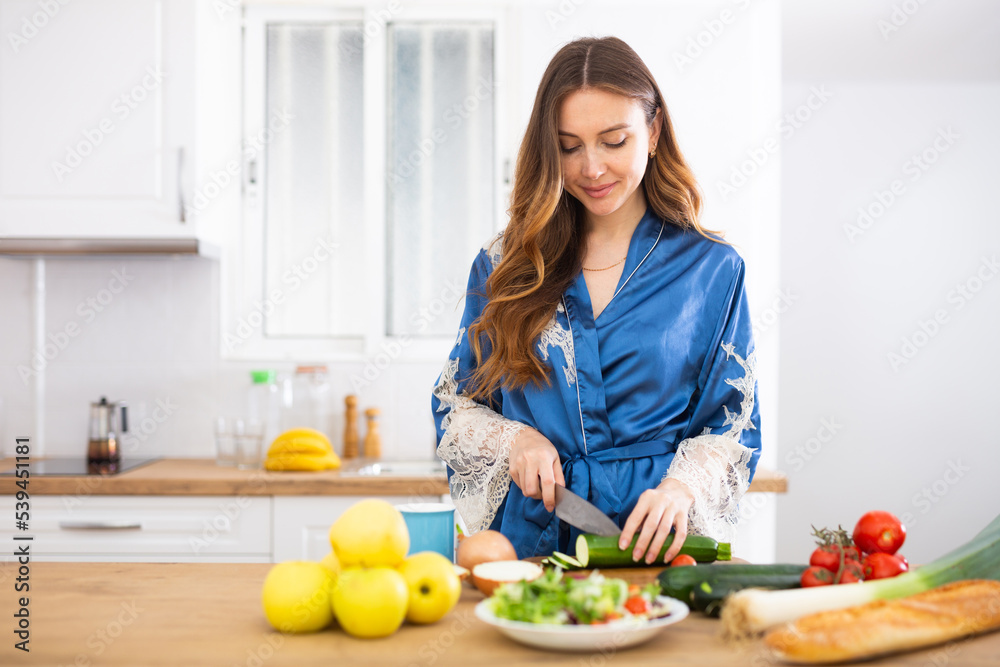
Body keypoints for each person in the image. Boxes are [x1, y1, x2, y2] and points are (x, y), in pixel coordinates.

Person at [431, 36, 761, 564]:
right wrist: (515, 441)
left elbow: (733, 422)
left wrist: (679, 490)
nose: (591, 168)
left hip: (657, 543)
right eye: (568, 146)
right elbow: (455, 404)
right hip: (531, 542)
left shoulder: (713, 269)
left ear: (652, 133)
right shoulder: (503, 265)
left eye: (613, 141)